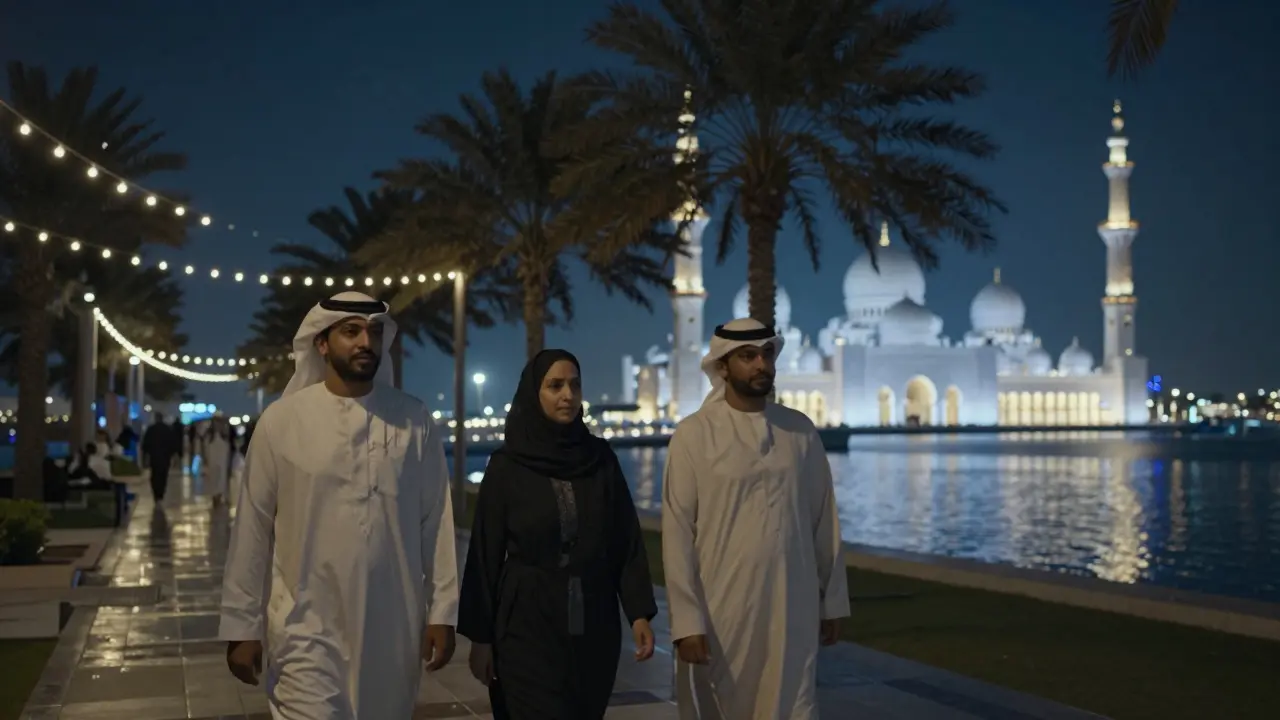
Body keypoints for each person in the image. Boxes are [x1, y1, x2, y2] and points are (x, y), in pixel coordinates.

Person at [218, 291, 459, 719]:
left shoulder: (413, 419)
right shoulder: (281, 421)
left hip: (392, 628)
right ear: (322, 343)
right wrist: (241, 627)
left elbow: (436, 520)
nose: (366, 342)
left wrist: (442, 611)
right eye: (351, 331)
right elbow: (253, 528)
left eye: (375, 332)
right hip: (304, 629)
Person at [662, 318, 850, 719]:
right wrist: (686, 621)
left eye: (767, 354)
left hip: (793, 604)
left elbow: (824, 520)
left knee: (795, 702)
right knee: (726, 706)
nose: (761, 364)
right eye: (747, 357)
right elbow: (677, 532)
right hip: (723, 607)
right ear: (722, 367)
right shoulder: (694, 435)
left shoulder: (798, 431)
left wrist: (832, 601)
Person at [458, 349, 657, 719]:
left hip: (593, 621)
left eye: (575, 385)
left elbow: (624, 540)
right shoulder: (507, 466)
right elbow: (485, 553)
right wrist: (480, 639)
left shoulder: (599, 459)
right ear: (534, 393)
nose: (568, 394)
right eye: (555, 385)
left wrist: (639, 613)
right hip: (526, 622)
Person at [141, 412, 178, 502]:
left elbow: (145, 444)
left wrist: (145, 456)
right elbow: (173, 443)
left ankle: (156, 494)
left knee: (154, 475)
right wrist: (173, 455)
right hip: (165, 457)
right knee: (163, 476)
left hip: (154, 457)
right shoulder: (167, 429)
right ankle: (161, 494)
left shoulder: (151, 429)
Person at [202, 414, 231, 506]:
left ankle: (219, 496)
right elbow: (205, 447)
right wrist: (205, 459)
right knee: (213, 478)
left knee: (221, 478)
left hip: (222, 460)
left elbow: (228, 448)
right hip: (212, 459)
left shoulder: (225, 435)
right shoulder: (209, 435)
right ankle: (215, 497)